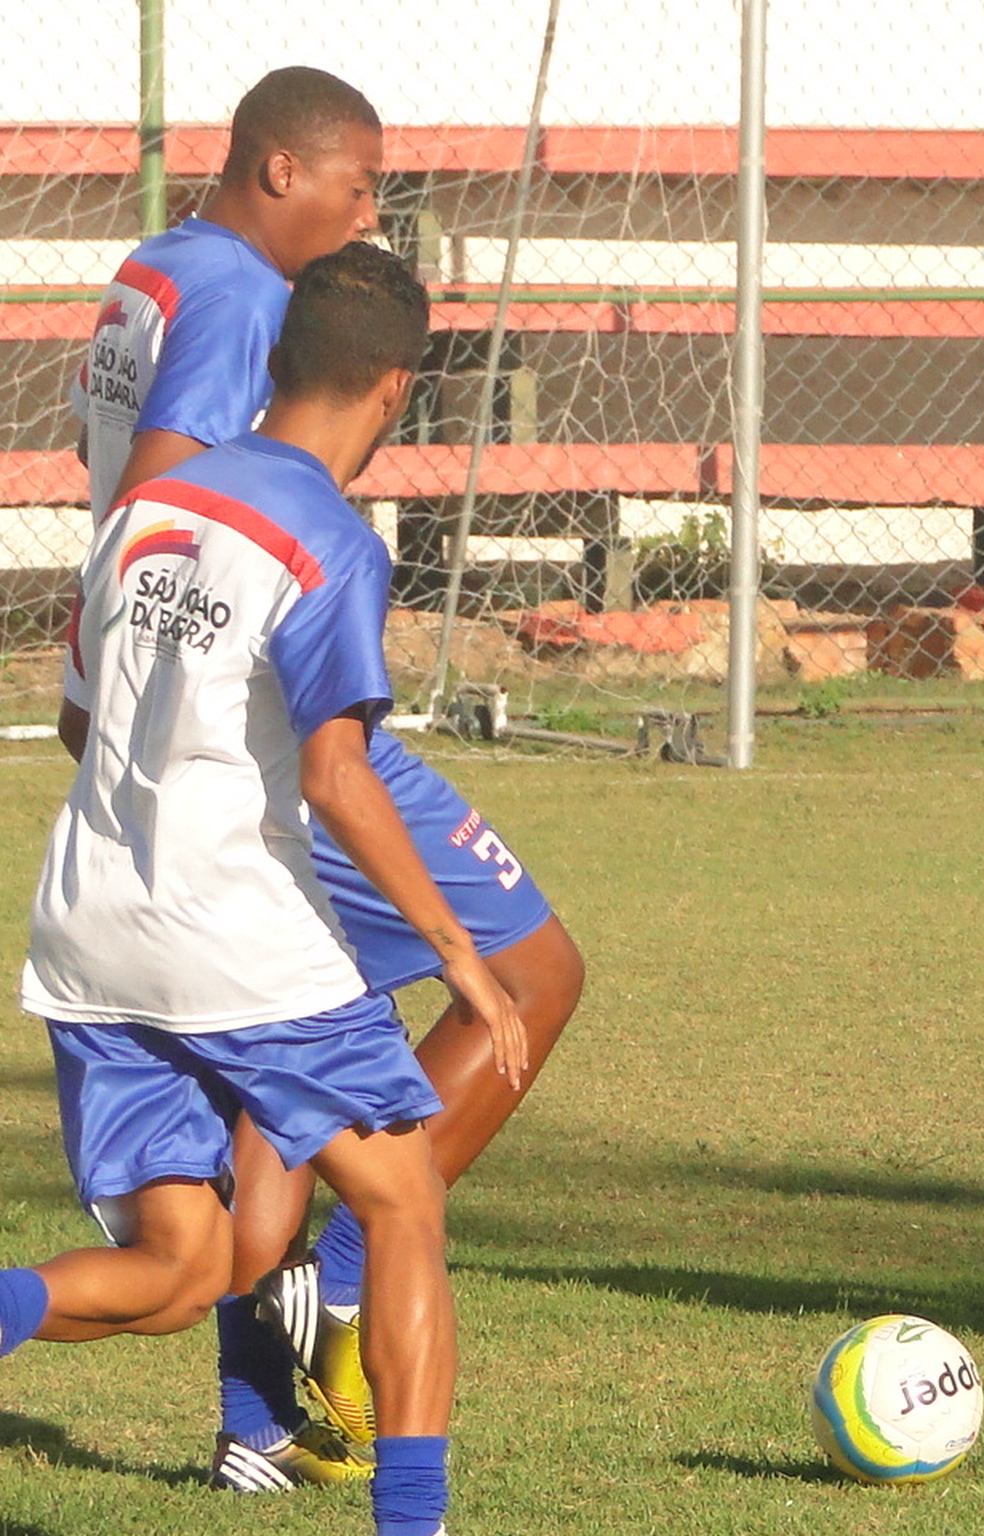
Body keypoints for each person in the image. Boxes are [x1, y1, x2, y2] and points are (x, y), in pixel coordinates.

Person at [68, 65, 585, 1483]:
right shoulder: (240, 292)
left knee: (256, 1074)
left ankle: (254, 1427)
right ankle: (344, 1281)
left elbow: (106, 476)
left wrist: (93, 685)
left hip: (144, 708)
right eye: (362, 186)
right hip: (255, 715)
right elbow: (175, 493)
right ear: (282, 172)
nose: (373, 212)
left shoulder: (155, 267)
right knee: (530, 973)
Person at [9, 242, 527, 1536]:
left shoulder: (150, 504)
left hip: (88, 933)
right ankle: (416, 1525)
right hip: (232, 936)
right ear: (397, 391)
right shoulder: (331, 543)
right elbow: (345, 780)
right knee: (402, 1198)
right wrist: (458, 956)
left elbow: (81, 731)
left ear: (279, 354)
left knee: (182, 1268)